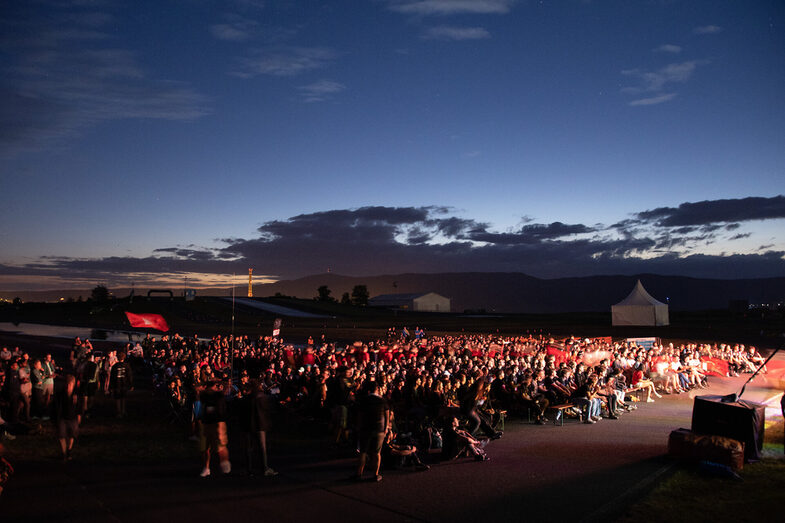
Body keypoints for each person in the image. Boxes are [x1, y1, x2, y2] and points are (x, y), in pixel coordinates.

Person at [353, 381, 390, 482]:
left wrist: (358, 427)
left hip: (366, 429)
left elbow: (360, 415)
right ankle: (375, 474)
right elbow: (387, 415)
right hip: (379, 429)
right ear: (377, 390)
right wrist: (386, 428)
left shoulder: (364, 400)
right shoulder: (383, 400)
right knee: (377, 452)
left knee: (363, 452)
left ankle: (359, 474)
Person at [199, 380, 231, 477]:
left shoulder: (218, 396)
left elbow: (220, 409)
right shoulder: (206, 396)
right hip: (209, 423)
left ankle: (224, 465)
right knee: (207, 447)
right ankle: (207, 468)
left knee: (219, 446)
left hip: (217, 423)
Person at [51, 374, 80, 462]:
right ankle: (64, 453)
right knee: (62, 436)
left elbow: (79, 407)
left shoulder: (76, 395)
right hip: (62, 417)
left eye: (70, 384)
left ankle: (69, 450)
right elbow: (56, 406)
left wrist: (79, 416)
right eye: (67, 384)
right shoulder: (60, 394)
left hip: (72, 417)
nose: (68, 386)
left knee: (72, 435)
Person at [108, 351, 133, 418]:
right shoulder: (127, 366)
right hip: (124, 384)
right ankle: (123, 411)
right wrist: (130, 384)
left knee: (118, 399)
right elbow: (129, 376)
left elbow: (112, 377)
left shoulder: (115, 366)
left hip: (117, 384)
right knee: (123, 398)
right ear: (124, 358)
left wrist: (110, 386)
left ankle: (119, 412)